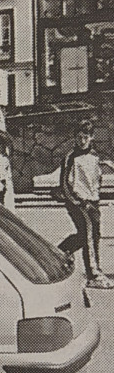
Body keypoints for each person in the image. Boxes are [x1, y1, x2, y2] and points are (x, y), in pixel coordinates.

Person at [58, 121, 114, 289]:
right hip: (78, 203)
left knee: (91, 235)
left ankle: (59, 254)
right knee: (89, 234)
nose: (82, 141)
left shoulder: (95, 156)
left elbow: (97, 178)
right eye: (79, 137)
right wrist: (80, 201)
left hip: (93, 201)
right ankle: (93, 274)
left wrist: (95, 197)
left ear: (92, 137)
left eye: (85, 137)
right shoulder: (70, 157)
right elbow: (65, 185)